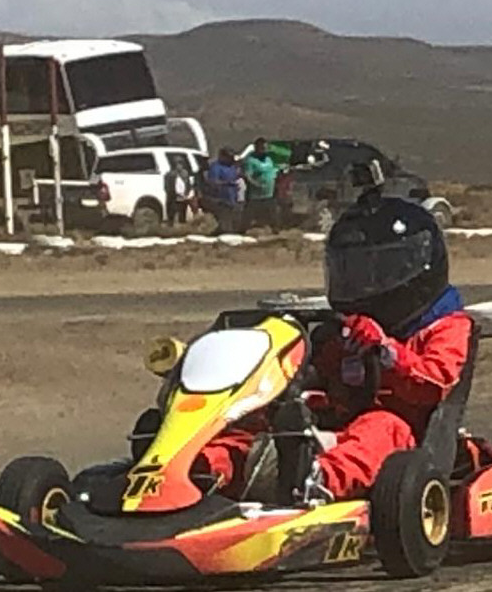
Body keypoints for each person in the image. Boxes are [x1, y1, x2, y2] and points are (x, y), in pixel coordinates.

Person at [195, 194, 472, 503]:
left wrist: (386, 351)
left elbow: (434, 385)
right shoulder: (345, 326)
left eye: (376, 272)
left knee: (379, 428)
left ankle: (316, 480)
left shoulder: (446, 325)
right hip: (335, 417)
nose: (363, 283)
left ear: (414, 267)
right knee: (266, 417)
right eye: (353, 271)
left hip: (403, 432)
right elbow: (323, 373)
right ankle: (206, 468)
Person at [241, 138, 279, 230]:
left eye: (266, 148)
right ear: (256, 148)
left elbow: (273, 171)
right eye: (262, 148)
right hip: (256, 196)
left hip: (270, 194)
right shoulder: (251, 161)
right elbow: (247, 176)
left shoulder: (268, 159)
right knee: (250, 217)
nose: (265, 150)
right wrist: (256, 184)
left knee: (273, 216)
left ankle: (274, 230)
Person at [205, 148, 241, 235]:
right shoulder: (216, 167)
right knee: (224, 221)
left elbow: (236, 177)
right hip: (221, 198)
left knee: (233, 220)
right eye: (229, 157)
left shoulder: (232, 167)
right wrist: (227, 183)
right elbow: (213, 182)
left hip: (233, 197)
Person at [164, 157, 193, 227]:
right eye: (177, 164)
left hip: (183, 199)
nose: (179, 166)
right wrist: (174, 195)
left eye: (180, 164)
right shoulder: (169, 175)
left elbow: (188, 185)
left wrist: (186, 193)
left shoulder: (185, 174)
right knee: (172, 216)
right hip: (173, 199)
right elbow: (167, 187)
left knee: (182, 216)